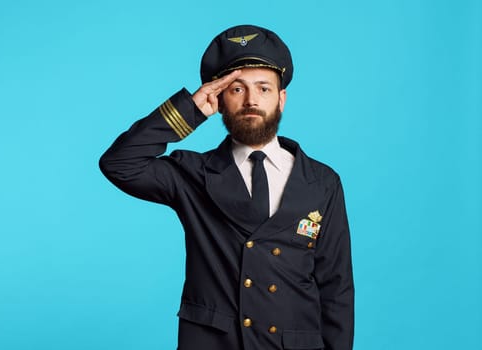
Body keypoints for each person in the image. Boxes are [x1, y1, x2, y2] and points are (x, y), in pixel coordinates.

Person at [99, 24, 354, 350]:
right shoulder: (191, 174)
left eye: (264, 88)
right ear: (219, 99)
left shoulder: (322, 181)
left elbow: (337, 287)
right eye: (236, 89)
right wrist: (190, 110)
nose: (251, 100)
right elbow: (119, 163)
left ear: (281, 99)